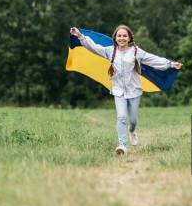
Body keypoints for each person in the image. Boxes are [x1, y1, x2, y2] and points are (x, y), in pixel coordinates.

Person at [69, 25, 183, 155]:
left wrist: (170, 64)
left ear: (129, 38)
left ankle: (132, 131)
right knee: (122, 117)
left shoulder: (136, 51)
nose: (122, 38)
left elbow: (153, 60)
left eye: (124, 36)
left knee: (133, 120)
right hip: (118, 90)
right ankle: (122, 145)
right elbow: (94, 47)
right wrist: (80, 36)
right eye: (119, 36)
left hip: (134, 90)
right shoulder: (110, 51)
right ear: (115, 38)